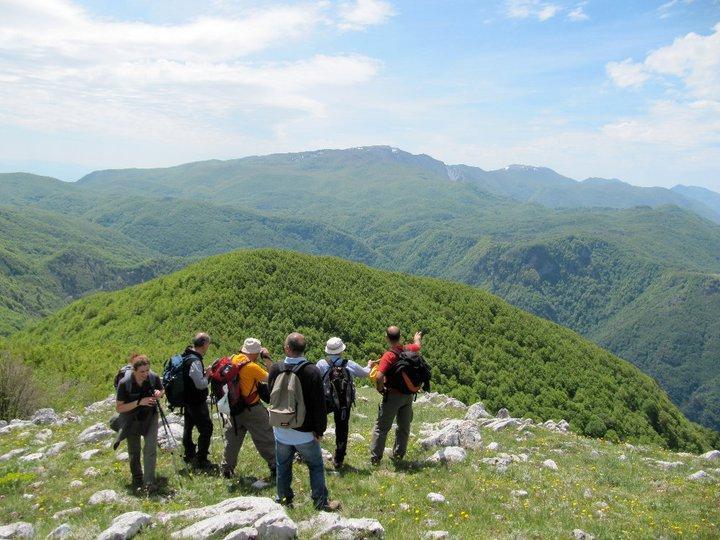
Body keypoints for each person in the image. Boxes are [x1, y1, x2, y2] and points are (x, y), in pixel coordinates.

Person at [267, 332, 341, 511]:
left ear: (287, 348)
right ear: (303, 349)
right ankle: (320, 502)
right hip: (305, 432)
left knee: (283, 465)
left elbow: (269, 394)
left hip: (281, 430)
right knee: (315, 466)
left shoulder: (275, 369)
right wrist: (319, 430)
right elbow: (319, 405)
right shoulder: (311, 371)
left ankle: (283, 499)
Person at [221, 337, 277, 479]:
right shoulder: (252, 367)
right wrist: (267, 359)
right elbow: (273, 378)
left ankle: (227, 468)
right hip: (252, 409)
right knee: (265, 437)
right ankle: (275, 466)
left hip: (233, 408)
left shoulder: (231, 359)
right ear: (256, 353)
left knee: (233, 438)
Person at [369, 326, 423, 465]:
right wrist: (417, 339)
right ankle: (399, 454)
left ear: (387, 338)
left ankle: (376, 457)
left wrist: (380, 389)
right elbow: (417, 346)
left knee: (382, 427)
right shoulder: (408, 349)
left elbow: (379, 376)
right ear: (400, 337)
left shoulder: (389, 355)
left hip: (392, 396)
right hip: (408, 395)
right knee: (404, 426)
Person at [316, 337, 371, 469]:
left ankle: (312, 451)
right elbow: (364, 374)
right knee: (342, 428)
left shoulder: (321, 364)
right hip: (343, 402)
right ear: (341, 350)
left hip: (326, 400)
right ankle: (339, 459)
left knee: (318, 424)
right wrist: (369, 366)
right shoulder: (348, 363)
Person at [114, 354, 164, 493]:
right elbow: (119, 407)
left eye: (147, 370)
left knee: (150, 449)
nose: (145, 374)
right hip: (132, 419)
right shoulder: (125, 383)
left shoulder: (153, 377)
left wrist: (159, 393)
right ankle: (137, 478)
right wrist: (138, 402)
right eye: (142, 371)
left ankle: (149, 482)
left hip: (150, 416)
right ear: (134, 370)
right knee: (134, 451)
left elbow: (162, 390)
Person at [181, 332, 215, 470]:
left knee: (188, 427)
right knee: (206, 428)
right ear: (204, 344)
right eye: (208, 344)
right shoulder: (195, 360)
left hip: (187, 399)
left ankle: (189, 454)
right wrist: (207, 375)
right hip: (196, 400)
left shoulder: (186, 355)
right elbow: (200, 384)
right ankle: (201, 458)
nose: (208, 347)